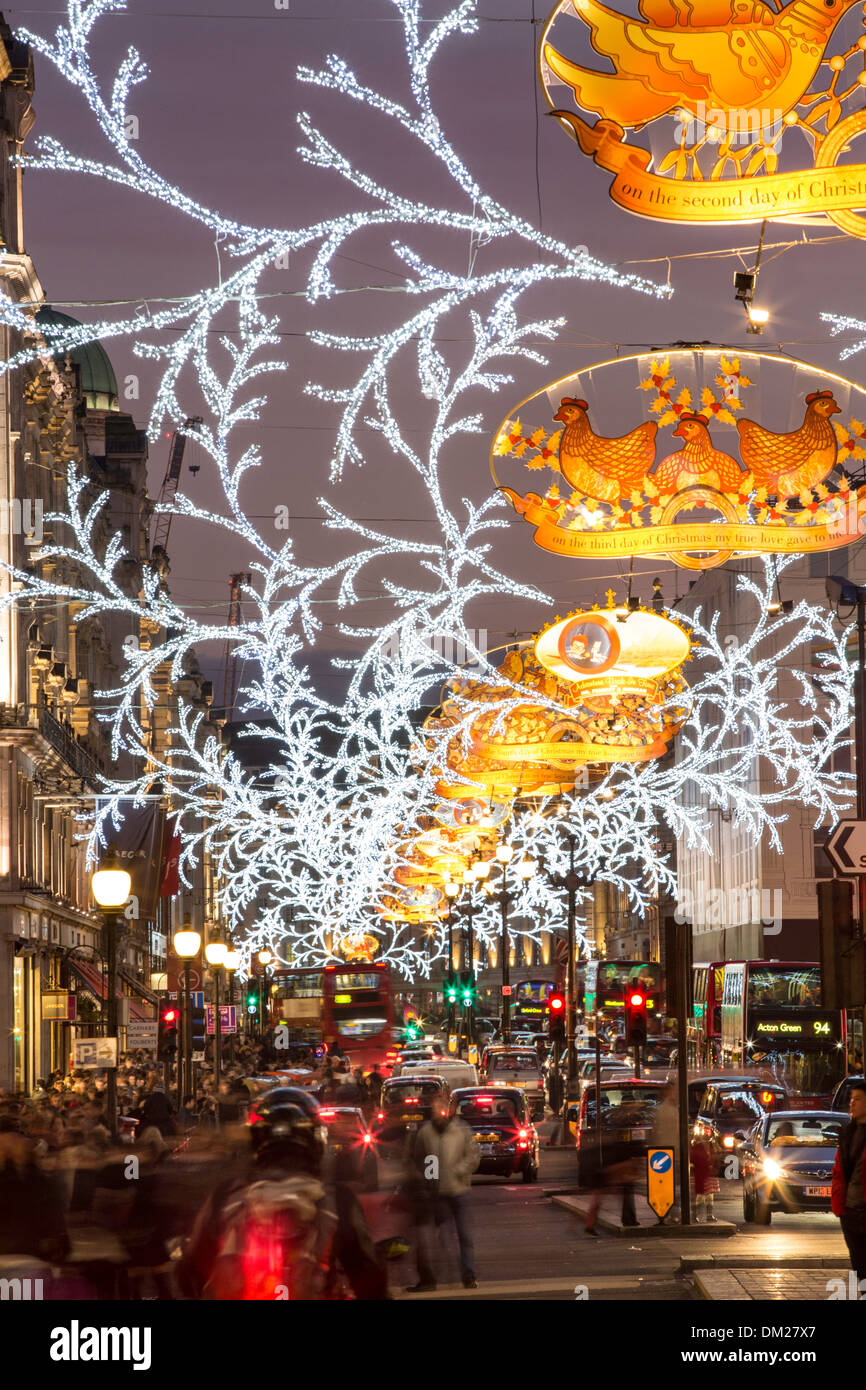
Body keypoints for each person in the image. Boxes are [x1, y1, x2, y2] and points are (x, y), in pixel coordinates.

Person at [179, 1089, 385, 1300]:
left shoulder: (226, 1196)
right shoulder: (337, 1200)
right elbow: (368, 1274)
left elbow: (191, 1267)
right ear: (316, 1139)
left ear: (255, 1140)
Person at [405, 1094, 480, 1292]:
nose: (437, 1111)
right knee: (441, 1236)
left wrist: (459, 1171)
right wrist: (430, 1178)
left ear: (448, 1109)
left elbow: (472, 1156)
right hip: (438, 1193)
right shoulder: (426, 1133)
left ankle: (469, 1275)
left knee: (465, 1235)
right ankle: (437, 1276)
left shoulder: (461, 1130)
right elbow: (422, 1158)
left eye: (440, 1108)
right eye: (434, 1108)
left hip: (459, 1189)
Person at [831, 1079, 866, 1286]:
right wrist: (840, 1207)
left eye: (858, 1099)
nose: (852, 1103)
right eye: (851, 1099)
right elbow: (839, 1172)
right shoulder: (847, 1134)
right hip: (851, 1211)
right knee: (859, 1266)